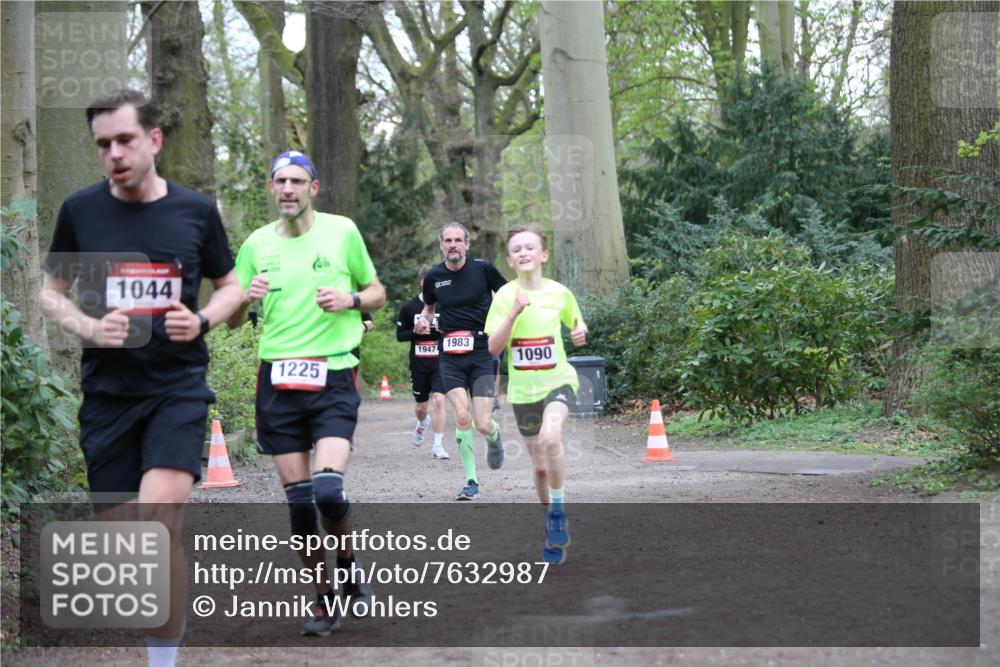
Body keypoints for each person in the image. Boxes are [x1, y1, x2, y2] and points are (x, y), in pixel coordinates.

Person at [39, 89, 244, 667]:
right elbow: (51, 294)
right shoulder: (81, 211)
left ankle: (162, 663)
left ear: (153, 140)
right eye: (103, 144)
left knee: (158, 519)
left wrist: (201, 319)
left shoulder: (194, 212)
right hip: (107, 396)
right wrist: (89, 326)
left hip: (177, 388)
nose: (114, 153)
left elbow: (230, 287)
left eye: (125, 140)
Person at [228, 150, 386, 636]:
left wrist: (351, 299)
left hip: (333, 375)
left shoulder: (342, 232)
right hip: (278, 382)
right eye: (281, 181)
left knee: (328, 490)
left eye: (297, 181)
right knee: (299, 506)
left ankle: (349, 564)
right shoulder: (255, 244)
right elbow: (231, 319)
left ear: (313, 188)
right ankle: (323, 600)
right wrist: (245, 300)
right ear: (271, 188)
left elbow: (377, 291)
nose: (288, 189)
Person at [485, 224, 588, 565]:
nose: (524, 253)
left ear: (543, 255)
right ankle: (549, 520)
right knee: (540, 466)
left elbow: (576, 323)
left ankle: (558, 510)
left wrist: (579, 331)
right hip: (523, 391)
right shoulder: (503, 297)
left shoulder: (560, 293)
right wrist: (514, 312)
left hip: (558, 380)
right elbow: (493, 348)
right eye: (516, 249)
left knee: (550, 437)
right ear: (509, 260)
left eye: (530, 247)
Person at [414, 222, 507, 500]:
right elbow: (428, 308)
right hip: (450, 354)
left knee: (482, 422)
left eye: (458, 240)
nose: (453, 244)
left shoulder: (483, 269)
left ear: (467, 244)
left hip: (481, 351)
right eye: (448, 240)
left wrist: (504, 323)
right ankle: (471, 482)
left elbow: (506, 296)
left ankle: (494, 436)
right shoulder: (434, 276)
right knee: (462, 415)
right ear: (441, 245)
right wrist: (423, 321)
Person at [396, 265, 450, 460]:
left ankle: (438, 445)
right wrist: (416, 332)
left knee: (439, 400)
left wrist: (437, 331)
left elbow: (451, 330)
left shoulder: (445, 306)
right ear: (421, 283)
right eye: (429, 283)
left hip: (440, 362)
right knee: (421, 407)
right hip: (419, 364)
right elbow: (400, 336)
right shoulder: (409, 308)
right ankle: (422, 422)